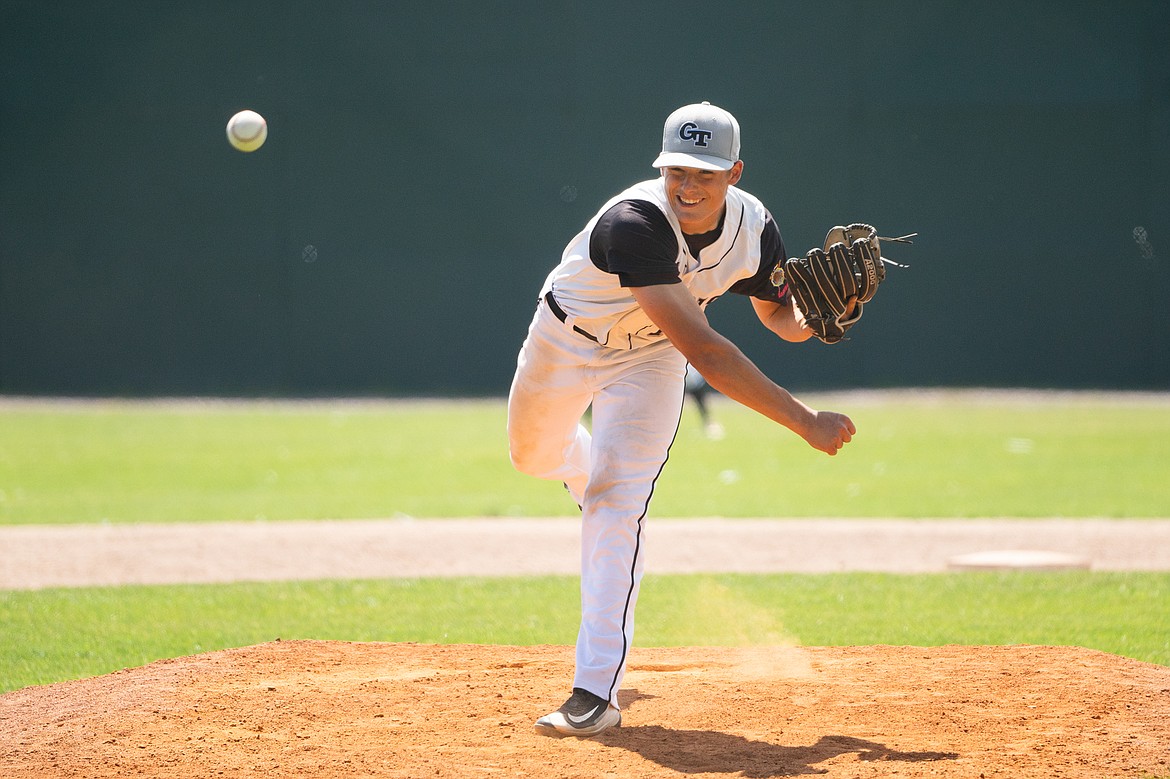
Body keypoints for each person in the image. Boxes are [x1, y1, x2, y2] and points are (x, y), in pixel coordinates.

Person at [506, 101, 857, 738]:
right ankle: (588, 474)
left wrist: (818, 318)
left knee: (619, 504)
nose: (687, 186)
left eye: (705, 173)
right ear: (661, 168)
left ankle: (594, 691)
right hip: (566, 340)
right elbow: (710, 352)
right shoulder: (636, 221)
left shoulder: (754, 228)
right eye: (677, 170)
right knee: (532, 457)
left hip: (650, 358)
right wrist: (805, 421)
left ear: (735, 173)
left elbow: (779, 317)